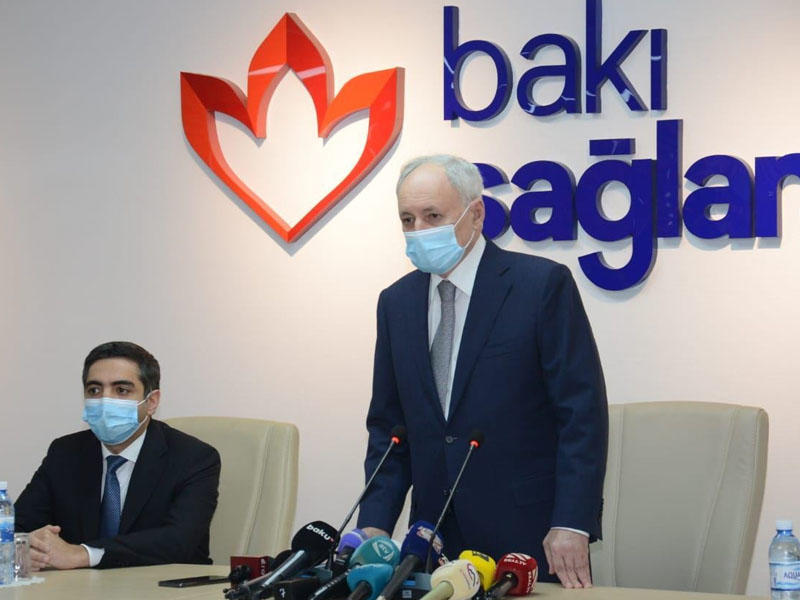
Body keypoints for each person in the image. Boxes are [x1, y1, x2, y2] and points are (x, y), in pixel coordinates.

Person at [356, 155, 608, 588]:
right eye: (407, 219)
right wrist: (375, 524)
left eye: (433, 216)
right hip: (431, 543)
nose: (419, 230)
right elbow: (389, 429)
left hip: (527, 537)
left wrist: (572, 522)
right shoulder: (395, 303)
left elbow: (580, 414)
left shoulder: (540, 286)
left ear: (476, 214)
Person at [15, 341, 220, 569]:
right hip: (79, 586)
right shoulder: (65, 452)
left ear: (151, 402)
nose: (105, 401)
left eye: (121, 390)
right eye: (94, 390)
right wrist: (29, 545)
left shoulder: (194, 458)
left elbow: (179, 541)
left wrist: (83, 554)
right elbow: (17, 526)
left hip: (161, 583)